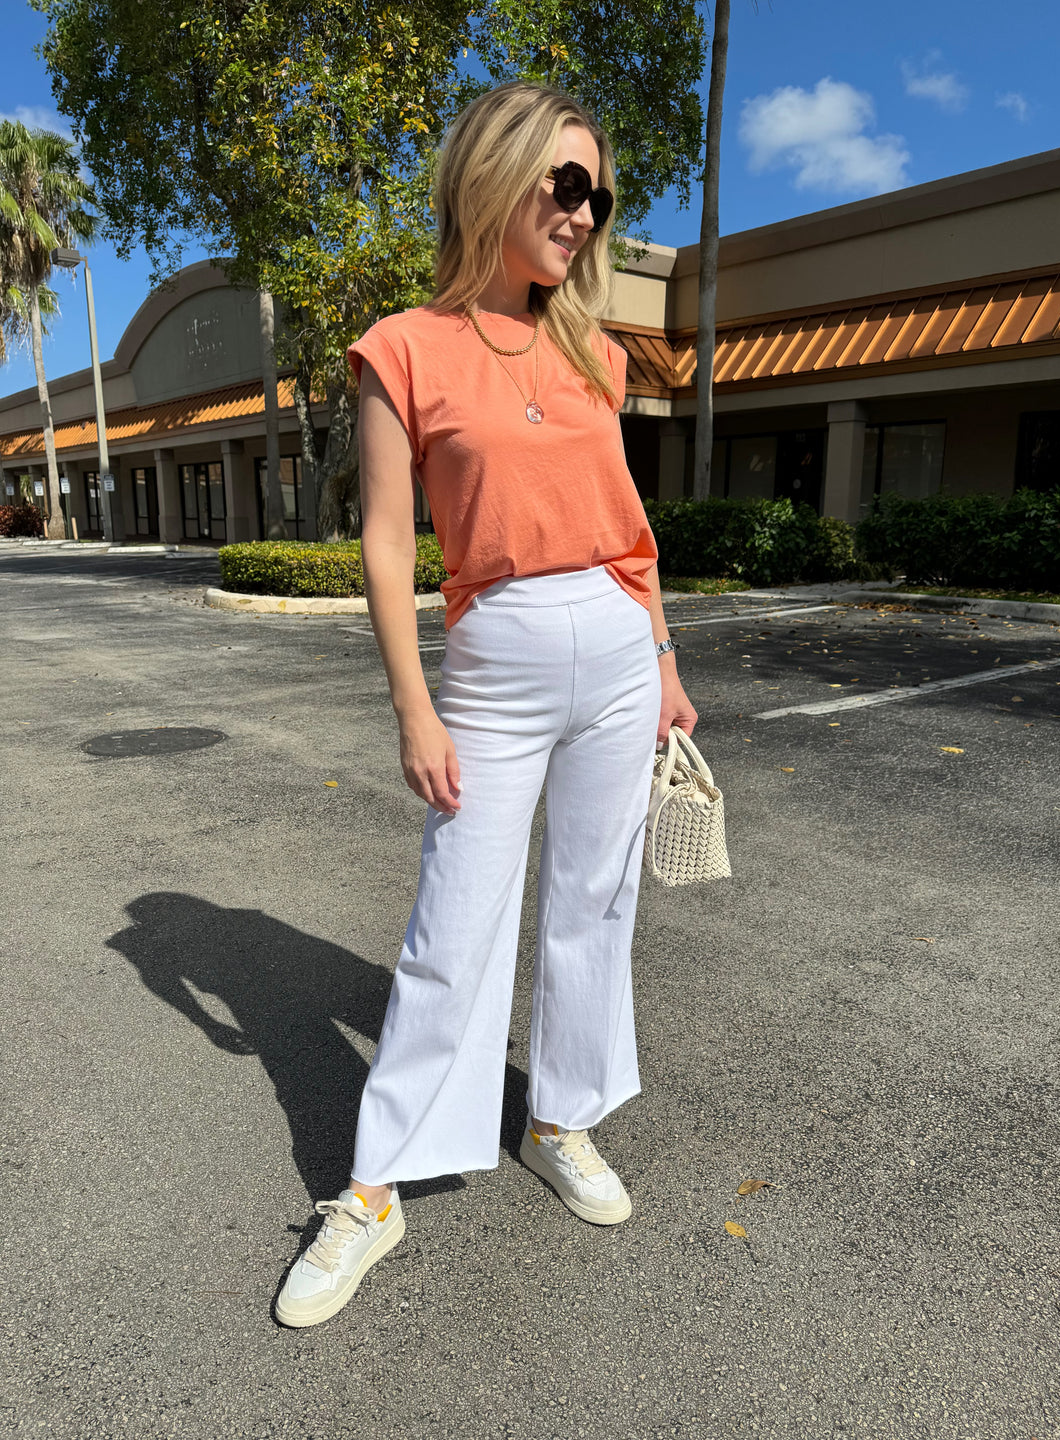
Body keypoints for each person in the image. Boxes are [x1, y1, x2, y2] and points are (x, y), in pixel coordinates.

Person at [275, 80, 697, 1329]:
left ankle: (561, 1116)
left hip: (620, 653)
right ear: (494, 177)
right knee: (454, 927)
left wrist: (664, 655)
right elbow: (388, 539)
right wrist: (414, 705)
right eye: (563, 184)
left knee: (593, 904)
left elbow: (631, 531)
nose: (582, 212)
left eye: (596, 194)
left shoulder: (596, 352)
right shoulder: (402, 347)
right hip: (496, 662)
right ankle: (372, 1188)